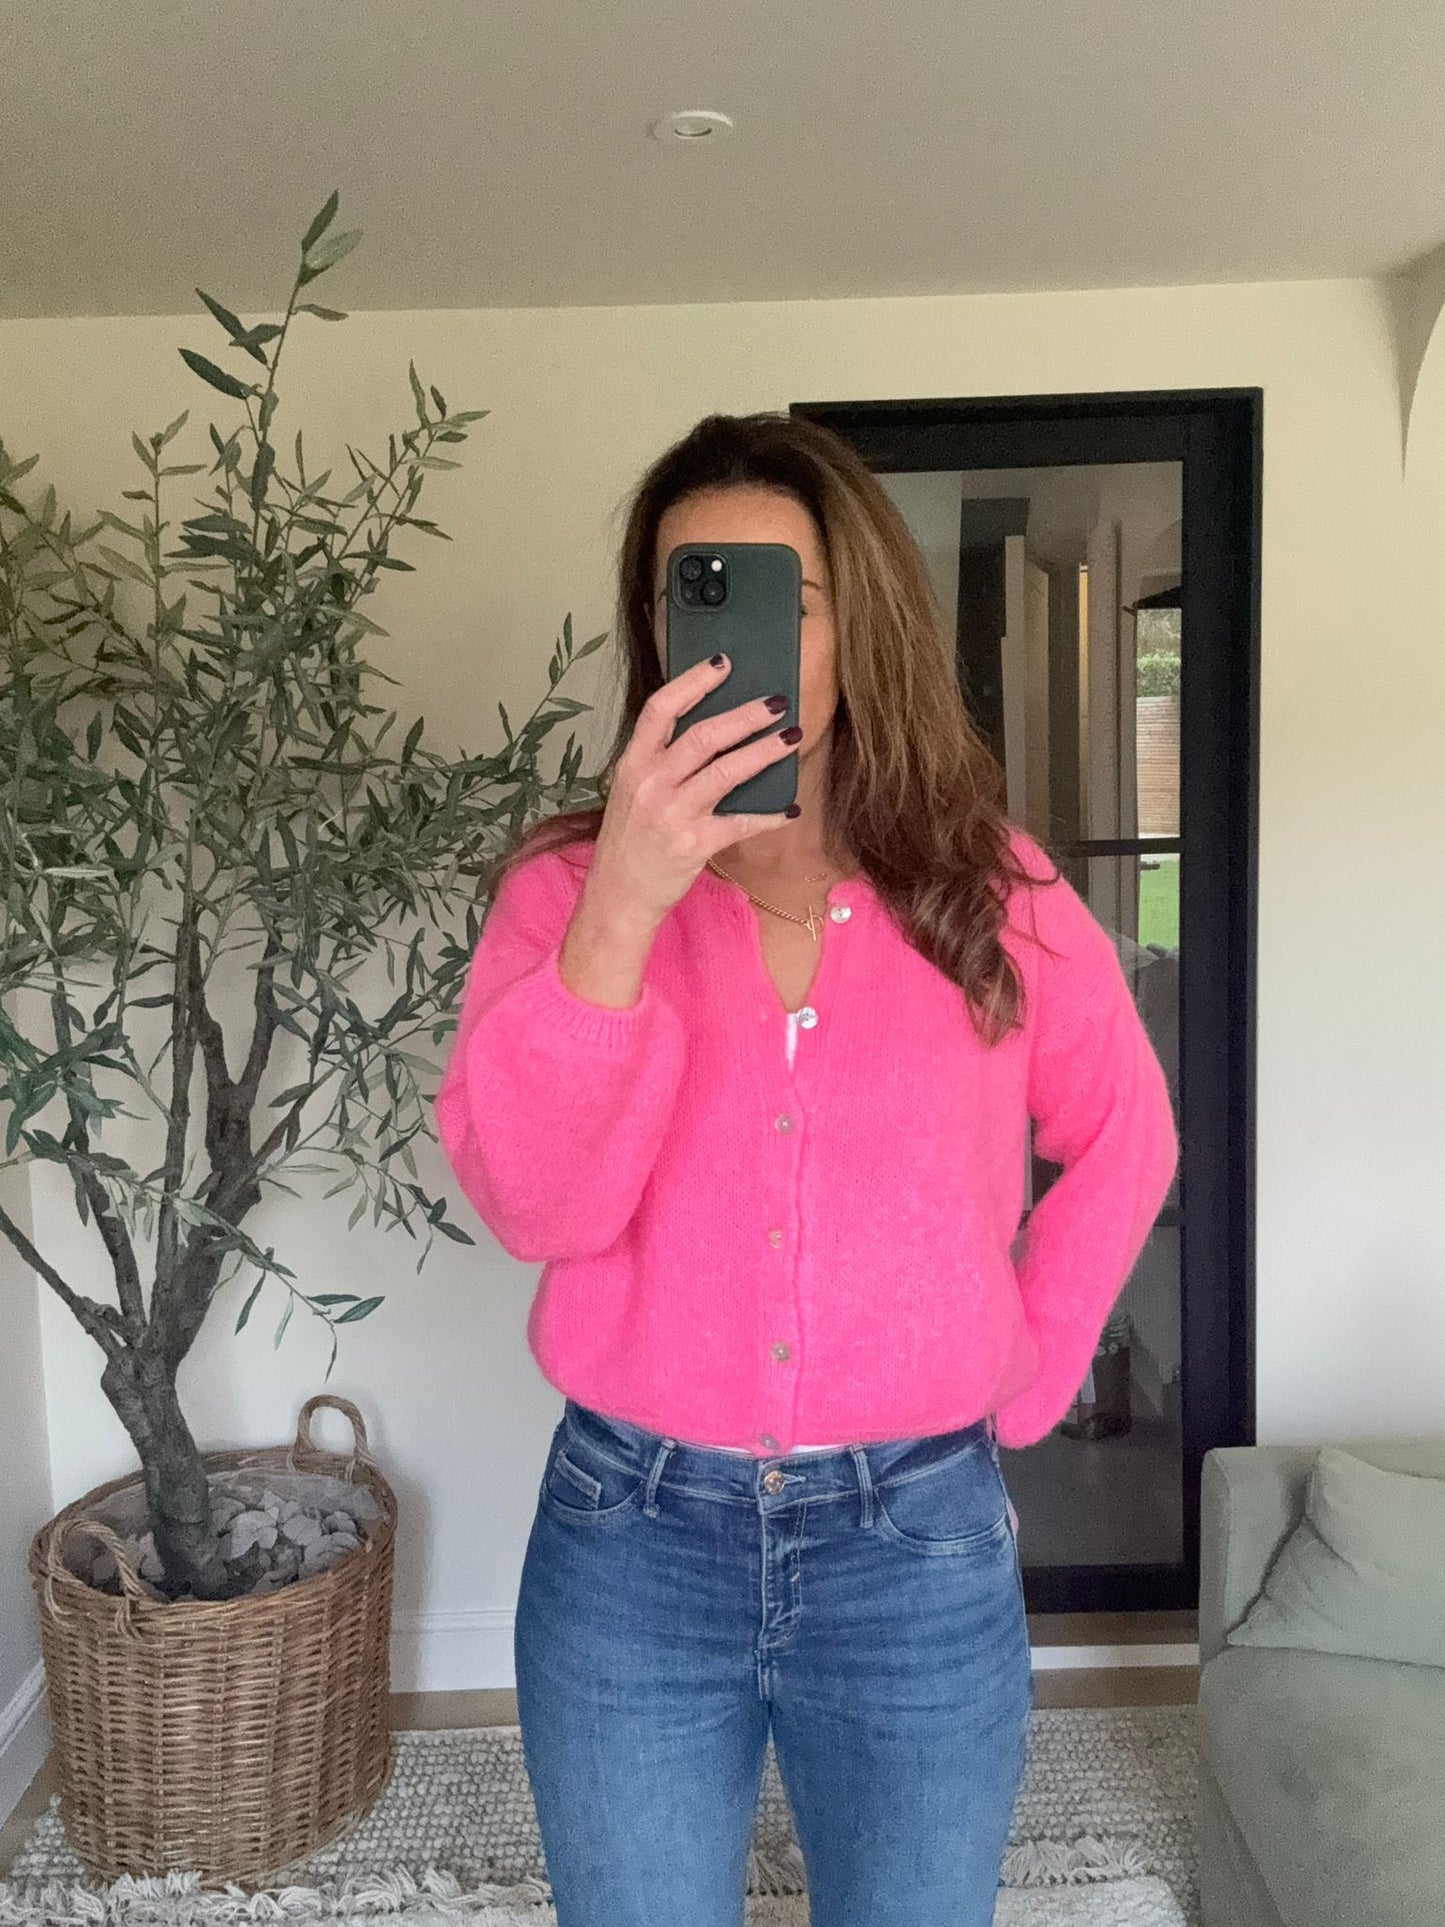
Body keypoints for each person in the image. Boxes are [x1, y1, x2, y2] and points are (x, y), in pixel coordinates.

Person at [434, 411, 1179, 1927]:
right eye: (691, 594)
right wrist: (625, 906)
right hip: (629, 1542)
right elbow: (535, 1207)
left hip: (915, 1545)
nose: (732, 642)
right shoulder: (567, 891)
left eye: (783, 597)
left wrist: (1025, 1376)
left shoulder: (994, 892)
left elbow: (1126, 1135)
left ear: (860, 624)